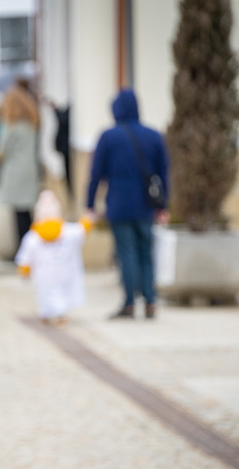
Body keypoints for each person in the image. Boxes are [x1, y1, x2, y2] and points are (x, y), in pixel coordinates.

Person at [86, 88, 170, 320]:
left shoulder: (108, 136)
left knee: (127, 253)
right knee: (146, 252)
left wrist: (90, 205)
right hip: (146, 206)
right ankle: (151, 301)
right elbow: (164, 173)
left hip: (119, 206)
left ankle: (130, 303)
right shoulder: (153, 136)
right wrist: (163, 206)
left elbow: (95, 175)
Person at [16, 190, 90, 325]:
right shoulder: (67, 230)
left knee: (45, 292)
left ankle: (45, 313)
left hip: (43, 272)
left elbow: (24, 257)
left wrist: (24, 271)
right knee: (61, 291)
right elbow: (82, 229)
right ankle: (60, 314)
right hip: (64, 269)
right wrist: (89, 218)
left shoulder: (33, 236)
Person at [0, 78, 41, 251]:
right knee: (27, 214)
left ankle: (24, 252)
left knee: (19, 216)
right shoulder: (31, 124)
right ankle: (32, 249)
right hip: (30, 171)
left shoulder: (11, 126)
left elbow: (2, 149)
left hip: (15, 173)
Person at [47, 99, 72, 200]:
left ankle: (70, 194)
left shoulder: (69, 111)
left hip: (66, 147)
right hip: (65, 147)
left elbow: (63, 119)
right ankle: (69, 194)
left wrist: (55, 109)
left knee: (69, 173)